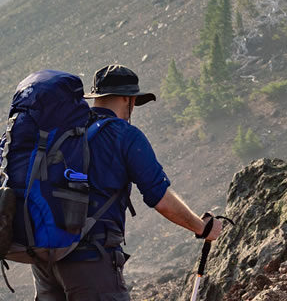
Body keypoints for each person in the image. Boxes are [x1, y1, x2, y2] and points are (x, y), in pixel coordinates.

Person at [31, 65, 224, 300]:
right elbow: (160, 199)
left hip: (45, 260)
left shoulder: (64, 133)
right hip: (90, 260)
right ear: (128, 98)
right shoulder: (124, 135)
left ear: (97, 97)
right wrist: (202, 227)